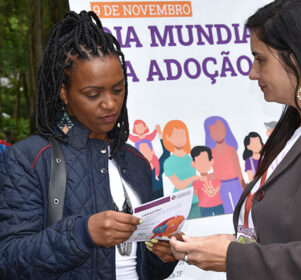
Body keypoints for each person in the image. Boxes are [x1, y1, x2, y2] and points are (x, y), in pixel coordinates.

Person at [168, 1, 301, 279]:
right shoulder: (295, 127)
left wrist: (233, 257)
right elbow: (283, 233)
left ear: (296, 57)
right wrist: (221, 246)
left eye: (260, 59)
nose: (252, 72)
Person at [0, 11, 177, 279]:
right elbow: (9, 259)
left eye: (118, 90)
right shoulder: (29, 159)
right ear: (64, 92)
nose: (110, 103)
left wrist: (163, 256)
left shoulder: (136, 162)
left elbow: (144, 267)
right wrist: (82, 234)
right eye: (93, 94)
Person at [204, 116, 246, 214]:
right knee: (226, 209)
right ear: (209, 134)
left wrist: (243, 185)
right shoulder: (211, 152)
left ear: (225, 129)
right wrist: (211, 176)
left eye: (219, 129)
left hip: (235, 183)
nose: (217, 133)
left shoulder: (231, 150)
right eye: (213, 131)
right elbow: (215, 170)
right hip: (221, 185)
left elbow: (238, 169)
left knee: (240, 208)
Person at [163, 120, 201, 219]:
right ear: (168, 137)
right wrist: (194, 178)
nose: (180, 139)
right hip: (180, 203)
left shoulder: (189, 157)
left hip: (196, 200)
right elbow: (179, 185)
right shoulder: (169, 162)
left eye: (182, 135)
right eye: (176, 136)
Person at [190, 146, 224, 217]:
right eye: (199, 161)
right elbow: (196, 193)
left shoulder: (214, 177)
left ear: (211, 161)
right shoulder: (196, 182)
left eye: (205, 161)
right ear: (193, 163)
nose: (202, 164)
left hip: (218, 204)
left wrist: (214, 191)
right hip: (204, 207)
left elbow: (219, 185)